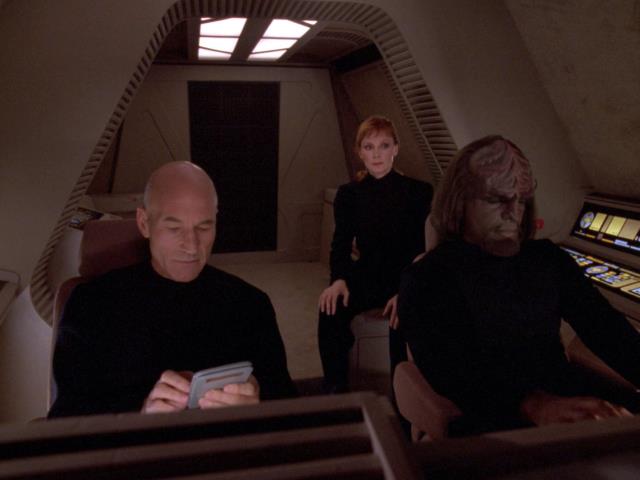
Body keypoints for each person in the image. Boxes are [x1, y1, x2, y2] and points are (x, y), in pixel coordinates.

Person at [399, 135, 640, 436]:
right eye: (496, 199)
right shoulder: (427, 278)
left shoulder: (547, 259)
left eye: (522, 199)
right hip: (493, 415)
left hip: (560, 395)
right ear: (460, 201)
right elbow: (453, 371)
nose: (513, 211)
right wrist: (534, 405)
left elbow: (605, 328)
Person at [49, 161, 295, 417]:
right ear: (144, 223)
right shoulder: (91, 304)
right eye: (174, 228)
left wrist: (257, 406)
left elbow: (287, 405)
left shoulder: (251, 304)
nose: (192, 246)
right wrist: (140, 416)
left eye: (204, 227)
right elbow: (66, 418)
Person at [318, 115, 433, 393]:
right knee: (330, 308)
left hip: (405, 277)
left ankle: (402, 399)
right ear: (360, 153)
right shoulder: (349, 194)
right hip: (368, 274)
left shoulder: (419, 192)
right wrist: (338, 280)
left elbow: (424, 251)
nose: (377, 154)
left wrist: (407, 290)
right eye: (369, 147)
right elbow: (340, 244)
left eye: (384, 146)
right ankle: (336, 391)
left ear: (396, 148)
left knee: (403, 319)